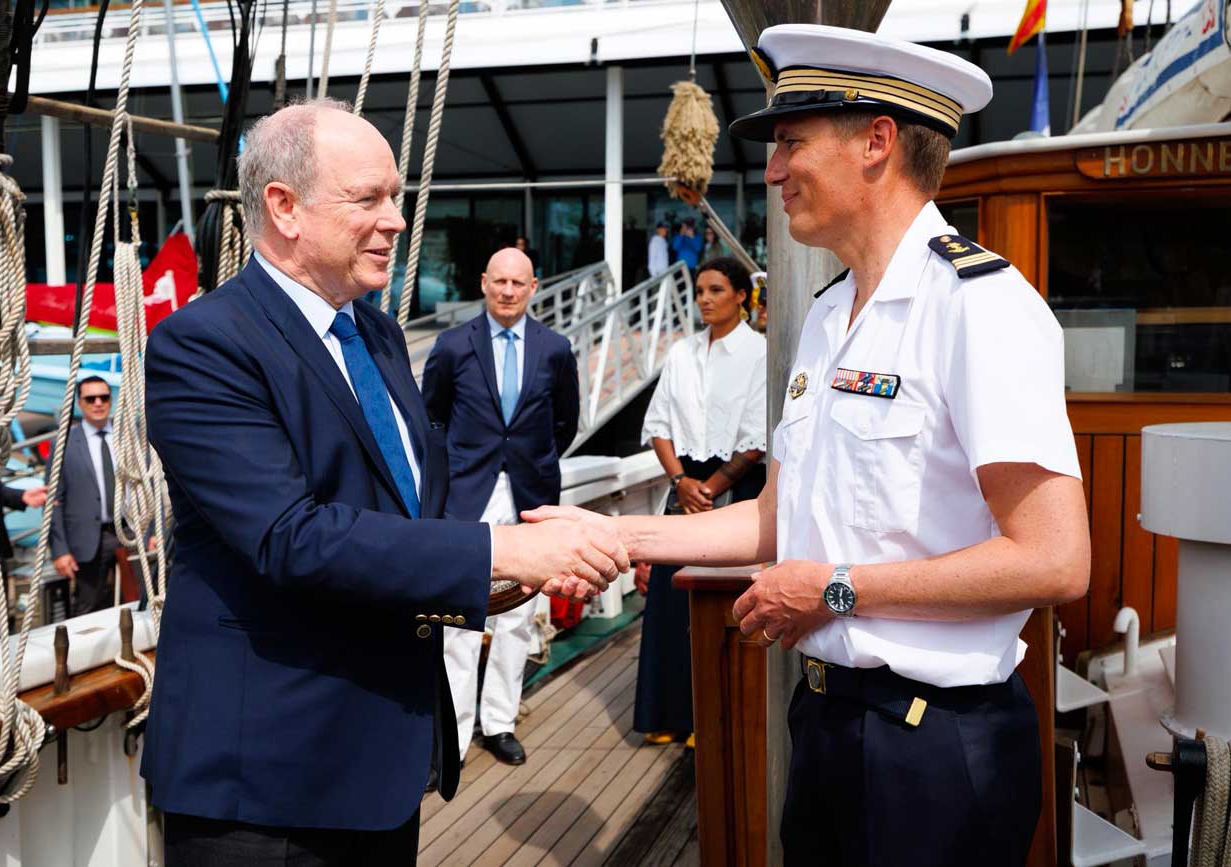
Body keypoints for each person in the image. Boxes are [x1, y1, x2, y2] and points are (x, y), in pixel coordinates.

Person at [525, 24, 1090, 867]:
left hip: (933, 749)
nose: (773, 170)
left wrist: (834, 588)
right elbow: (777, 514)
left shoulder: (980, 307)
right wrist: (612, 534)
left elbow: (1054, 559)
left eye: (791, 142)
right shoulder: (829, 316)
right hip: (826, 724)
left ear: (876, 142)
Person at [140, 99, 624, 866]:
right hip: (266, 789)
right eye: (368, 198)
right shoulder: (203, 344)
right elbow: (290, 536)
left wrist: (500, 577)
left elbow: (404, 509)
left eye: (394, 196)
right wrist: (496, 551)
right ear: (284, 208)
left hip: (380, 770)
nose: (396, 220)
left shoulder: (377, 332)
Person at [422, 247, 580, 770]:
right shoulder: (452, 346)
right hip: (467, 496)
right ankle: (454, 736)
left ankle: (500, 723)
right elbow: (432, 420)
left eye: (518, 283)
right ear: (484, 283)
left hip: (531, 496)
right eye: (500, 281)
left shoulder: (555, 349)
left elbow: (565, 422)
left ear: (534, 288)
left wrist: (532, 463)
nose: (508, 291)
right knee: (458, 620)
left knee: (518, 617)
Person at [634, 256, 766, 747]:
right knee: (670, 604)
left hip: (736, 487)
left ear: (740, 296)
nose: (704, 299)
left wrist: (708, 488)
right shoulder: (681, 352)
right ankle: (668, 714)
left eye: (716, 290)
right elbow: (659, 424)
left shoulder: (760, 352)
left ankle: (712, 719)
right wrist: (680, 482)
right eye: (699, 291)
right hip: (684, 486)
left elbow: (757, 436)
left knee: (722, 603)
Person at [48, 375, 121, 617]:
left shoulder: (129, 437)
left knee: (140, 601)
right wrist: (60, 550)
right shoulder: (63, 444)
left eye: (104, 397)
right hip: (87, 541)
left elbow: (149, 484)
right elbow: (53, 501)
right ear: (80, 403)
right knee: (88, 610)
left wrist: (152, 532)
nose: (98, 403)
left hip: (130, 533)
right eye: (91, 399)